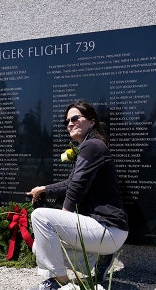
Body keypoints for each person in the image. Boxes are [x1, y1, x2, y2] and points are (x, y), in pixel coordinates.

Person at [26, 100, 129, 290]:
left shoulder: (93, 146)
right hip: (104, 233)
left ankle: (59, 281)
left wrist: (64, 215)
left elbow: (77, 186)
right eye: (67, 121)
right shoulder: (89, 147)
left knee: (40, 216)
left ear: (92, 122)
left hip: (108, 228)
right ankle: (100, 260)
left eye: (75, 118)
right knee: (39, 247)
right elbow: (71, 182)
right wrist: (44, 189)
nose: (70, 123)